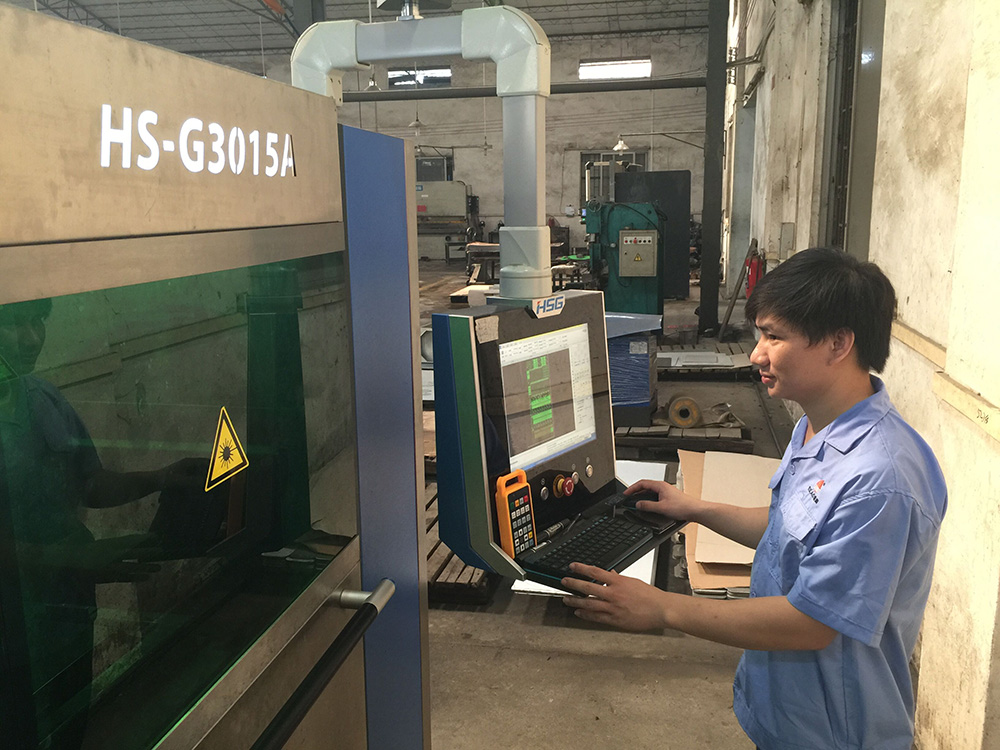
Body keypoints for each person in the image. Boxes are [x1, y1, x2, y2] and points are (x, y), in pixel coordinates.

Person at [562, 247, 947, 750]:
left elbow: (812, 623)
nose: (756, 354)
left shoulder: (880, 480)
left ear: (838, 343)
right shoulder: (817, 425)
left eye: (774, 337)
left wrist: (663, 608)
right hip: (785, 710)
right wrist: (694, 509)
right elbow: (791, 528)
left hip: (834, 732)